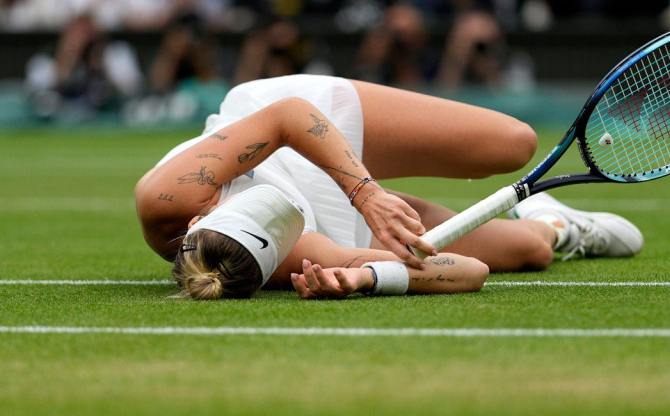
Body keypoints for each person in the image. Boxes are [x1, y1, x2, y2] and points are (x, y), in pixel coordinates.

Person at [135, 75, 643, 300]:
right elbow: (471, 271)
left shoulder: (168, 195)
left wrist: (369, 194)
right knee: (529, 250)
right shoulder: (291, 259)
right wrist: (367, 279)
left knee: (513, 143)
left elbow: (289, 117)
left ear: (198, 221)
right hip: (332, 212)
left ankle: (370, 186)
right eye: (279, 218)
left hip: (297, 124)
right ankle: (559, 224)